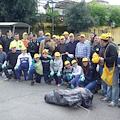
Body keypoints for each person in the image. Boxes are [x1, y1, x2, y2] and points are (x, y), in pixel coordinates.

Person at [99, 33, 119, 107]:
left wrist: (104, 60)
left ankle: (115, 100)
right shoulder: (106, 46)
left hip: (113, 68)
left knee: (114, 84)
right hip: (108, 67)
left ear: (102, 40)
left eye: (100, 39)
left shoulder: (111, 47)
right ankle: (109, 97)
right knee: (109, 83)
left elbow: (114, 58)